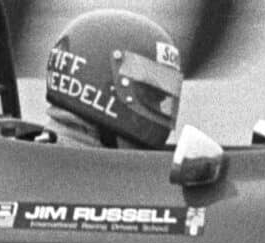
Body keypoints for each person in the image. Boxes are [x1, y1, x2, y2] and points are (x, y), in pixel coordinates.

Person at [42, 9, 182, 149]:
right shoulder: (66, 161)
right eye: (150, 95)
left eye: (160, 98)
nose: (158, 107)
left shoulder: (58, 156)